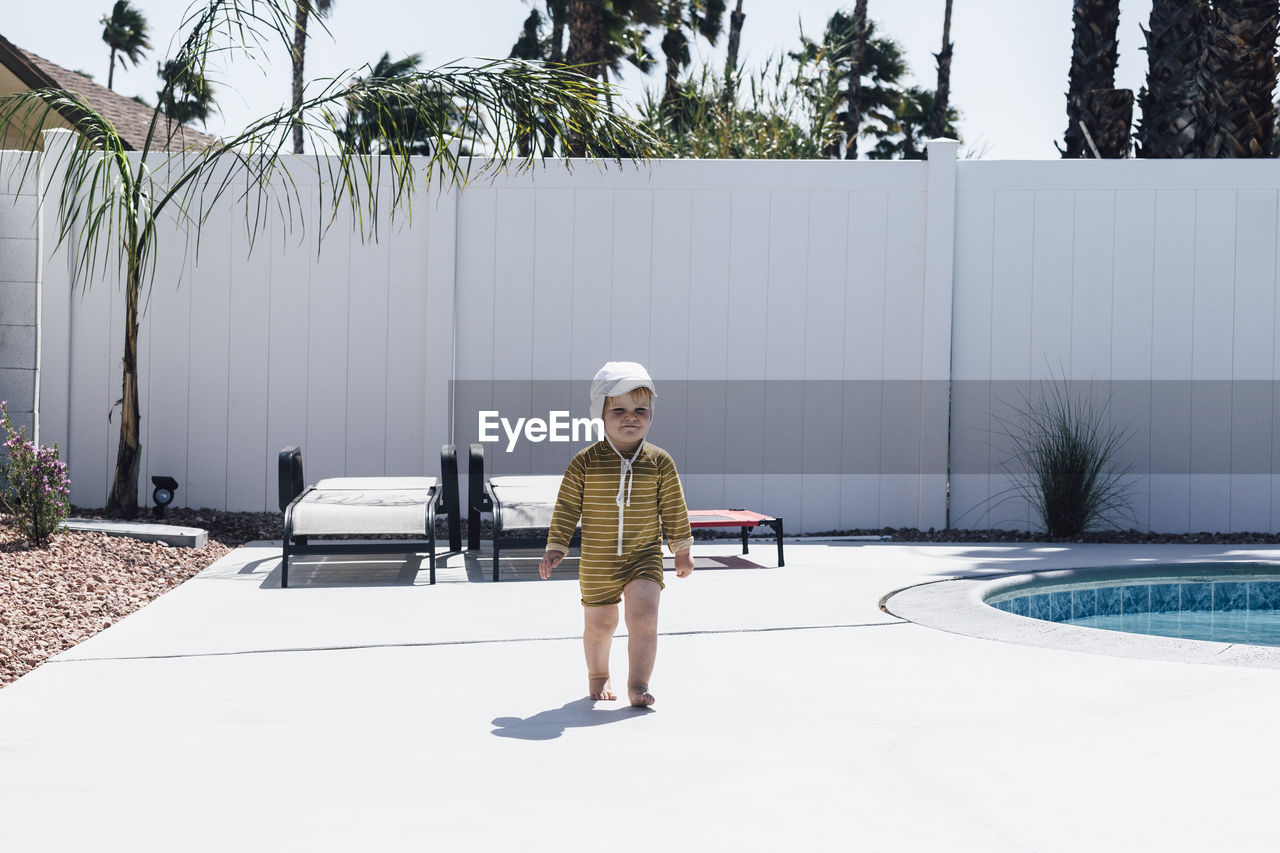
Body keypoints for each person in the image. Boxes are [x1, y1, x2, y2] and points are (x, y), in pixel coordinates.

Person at [538, 362, 694, 707]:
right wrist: (556, 546)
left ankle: (638, 684)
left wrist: (681, 548)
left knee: (644, 616)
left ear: (652, 414)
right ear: (602, 414)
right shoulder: (586, 462)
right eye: (619, 409)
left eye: (641, 409)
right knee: (600, 625)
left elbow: (673, 506)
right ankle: (598, 674)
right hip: (598, 560)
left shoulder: (659, 462)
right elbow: (566, 508)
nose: (630, 417)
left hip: (644, 555)